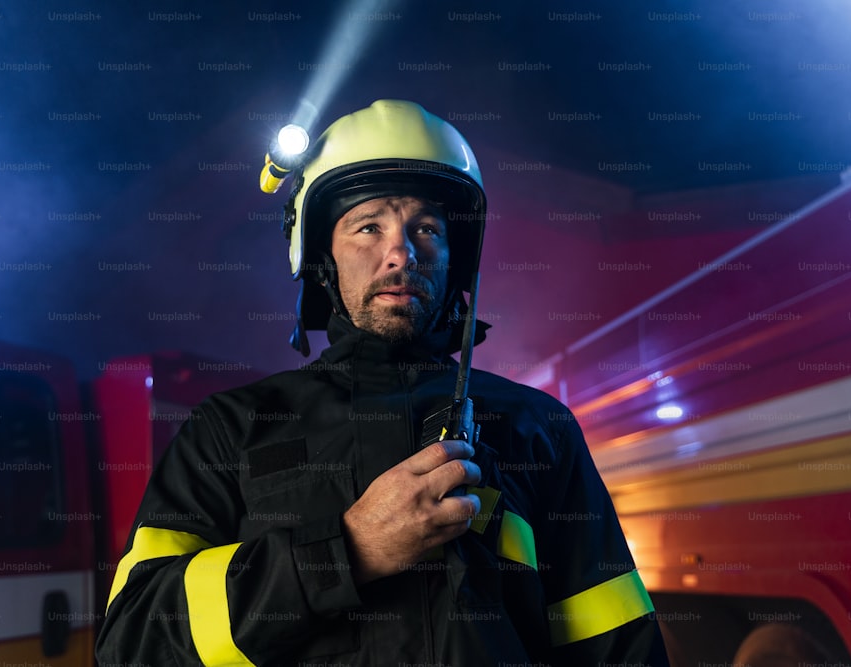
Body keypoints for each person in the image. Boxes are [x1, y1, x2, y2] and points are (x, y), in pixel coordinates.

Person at [95, 99, 670, 666]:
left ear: (453, 259)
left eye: (425, 228)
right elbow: (135, 639)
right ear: (322, 259)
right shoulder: (231, 427)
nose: (400, 254)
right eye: (368, 227)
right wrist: (348, 550)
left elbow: (619, 648)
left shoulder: (536, 427)